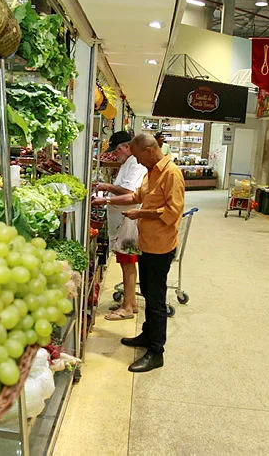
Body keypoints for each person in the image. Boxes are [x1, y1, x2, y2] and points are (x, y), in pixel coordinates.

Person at [93, 133, 185, 372]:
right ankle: (146, 335)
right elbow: (136, 196)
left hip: (161, 246)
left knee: (155, 299)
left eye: (137, 156)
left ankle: (156, 352)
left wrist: (140, 214)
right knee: (146, 290)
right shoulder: (151, 171)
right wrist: (106, 201)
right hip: (147, 243)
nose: (137, 161)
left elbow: (172, 212)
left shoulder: (171, 173)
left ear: (149, 150)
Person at [92, 130, 147, 322]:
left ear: (125, 147)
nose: (115, 156)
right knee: (126, 262)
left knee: (128, 261)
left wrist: (106, 191)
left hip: (129, 222)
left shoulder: (135, 165)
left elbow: (130, 192)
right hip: (124, 221)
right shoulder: (128, 163)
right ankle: (130, 301)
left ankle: (128, 308)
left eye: (116, 151)